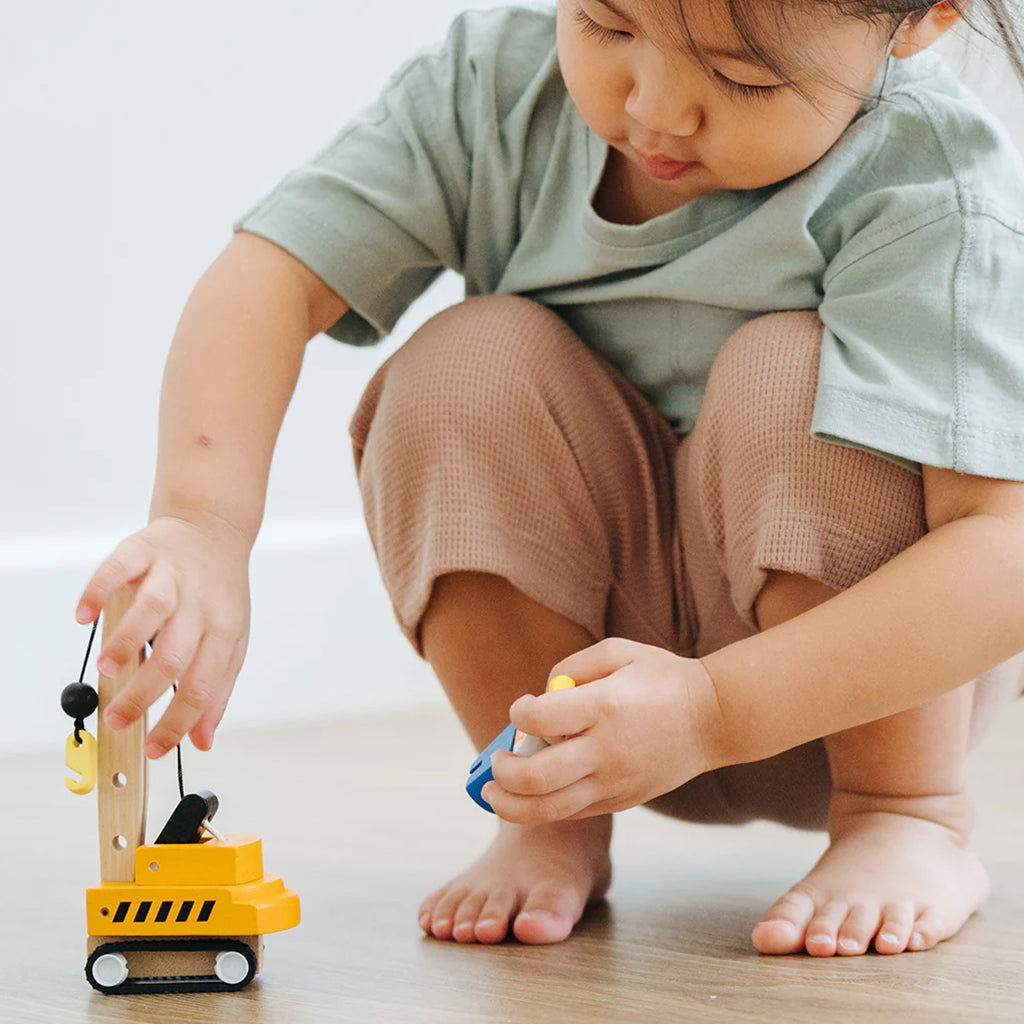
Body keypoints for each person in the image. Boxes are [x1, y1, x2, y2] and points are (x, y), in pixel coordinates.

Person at [75, 0, 1024, 958]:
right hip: (599, 715)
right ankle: (546, 813)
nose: (654, 110)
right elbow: (272, 274)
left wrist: (715, 708)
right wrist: (202, 523)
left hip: (845, 700)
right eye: (609, 25)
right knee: (460, 360)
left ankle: (907, 815)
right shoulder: (493, 93)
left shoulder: (932, 181)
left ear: (921, 20)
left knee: (787, 373)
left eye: (743, 76)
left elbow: (1005, 552)